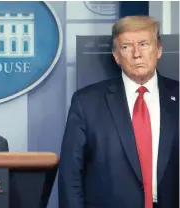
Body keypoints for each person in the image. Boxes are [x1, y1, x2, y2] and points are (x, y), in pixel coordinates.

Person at [58, 16, 178, 208]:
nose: (137, 54)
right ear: (116, 56)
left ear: (159, 50)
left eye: (144, 44)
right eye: (126, 47)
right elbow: (71, 175)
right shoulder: (87, 102)